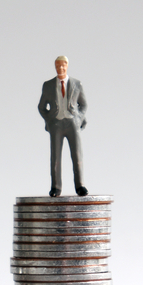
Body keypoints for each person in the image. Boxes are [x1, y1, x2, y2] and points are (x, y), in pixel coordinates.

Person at [37, 55, 89, 197]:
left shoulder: (77, 84)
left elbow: (83, 105)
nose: (61, 68)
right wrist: (50, 121)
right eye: (58, 66)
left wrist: (78, 118)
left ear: (67, 66)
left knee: (77, 155)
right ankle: (56, 187)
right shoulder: (48, 85)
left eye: (63, 66)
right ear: (55, 67)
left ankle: (80, 186)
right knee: (55, 157)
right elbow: (41, 107)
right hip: (57, 124)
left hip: (72, 123)